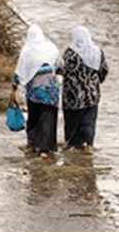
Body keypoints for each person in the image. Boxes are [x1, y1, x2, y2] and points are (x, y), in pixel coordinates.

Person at [10, 25, 61, 159]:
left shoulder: (28, 51)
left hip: (34, 93)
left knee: (34, 117)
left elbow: (19, 72)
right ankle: (47, 148)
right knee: (48, 119)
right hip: (51, 92)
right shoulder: (52, 48)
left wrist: (14, 87)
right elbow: (60, 66)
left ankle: (33, 144)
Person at [57, 26, 109, 154]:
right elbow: (104, 70)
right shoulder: (97, 52)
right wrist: (95, 83)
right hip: (92, 95)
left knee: (72, 121)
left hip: (73, 96)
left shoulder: (70, 54)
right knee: (89, 121)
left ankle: (73, 144)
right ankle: (89, 145)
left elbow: (61, 70)